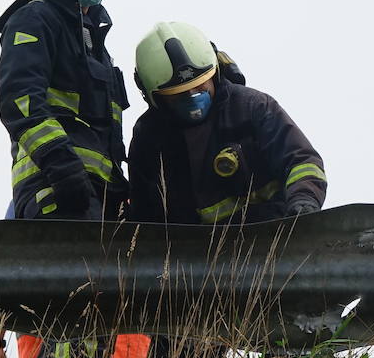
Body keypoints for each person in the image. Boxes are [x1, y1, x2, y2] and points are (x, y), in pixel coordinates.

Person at [0, 0, 149, 358]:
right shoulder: (34, 21)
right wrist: (62, 168)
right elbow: (20, 103)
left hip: (100, 192)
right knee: (61, 290)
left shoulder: (96, 41)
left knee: (113, 291)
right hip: (55, 186)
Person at [127, 21, 328, 227]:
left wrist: (304, 201)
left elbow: (302, 161)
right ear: (154, 98)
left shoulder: (252, 107)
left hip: (269, 240)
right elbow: (144, 217)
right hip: (190, 255)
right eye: (177, 94)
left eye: (200, 86)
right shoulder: (148, 138)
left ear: (215, 74)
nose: (193, 97)